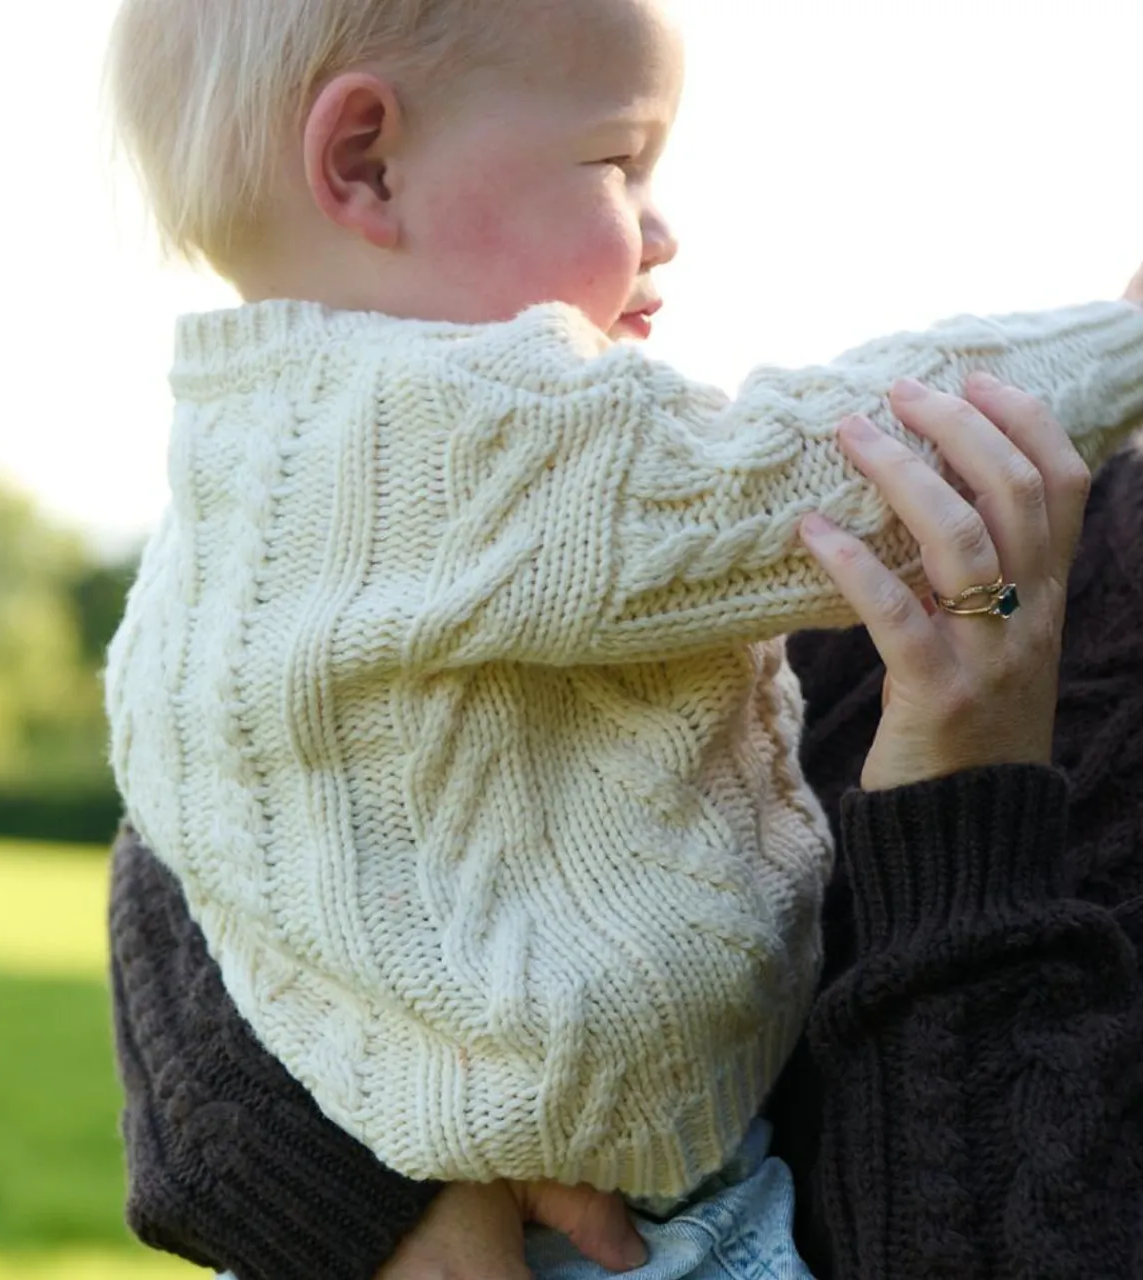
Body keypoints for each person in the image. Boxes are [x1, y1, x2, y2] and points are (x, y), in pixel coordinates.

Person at [101, 0, 1143, 1273]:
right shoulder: (491, 439)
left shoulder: (238, 479)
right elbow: (836, 453)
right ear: (364, 161)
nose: (662, 230)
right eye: (617, 161)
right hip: (628, 1232)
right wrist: (1121, 346)